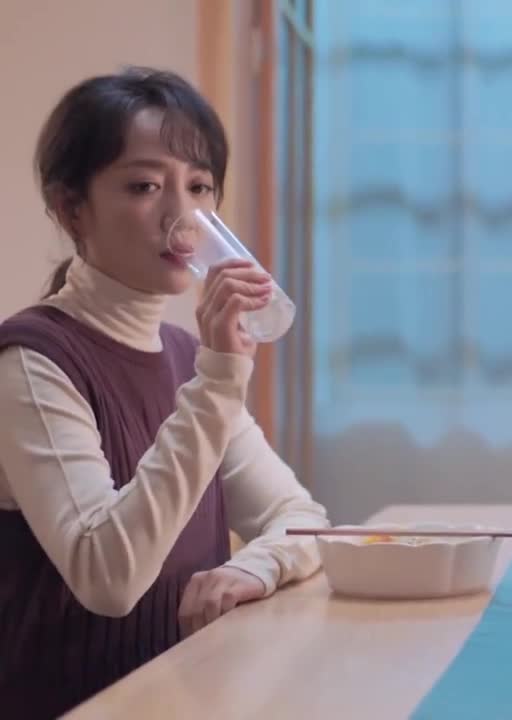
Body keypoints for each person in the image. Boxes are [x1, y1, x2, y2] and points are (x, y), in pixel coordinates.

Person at [0, 67, 330, 718]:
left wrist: (254, 567)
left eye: (199, 186)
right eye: (145, 186)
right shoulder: (31, 361)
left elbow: (302, 517)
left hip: (185, 699)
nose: (184, 217)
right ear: (71, 209)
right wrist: (220, 378)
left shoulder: (186, 358)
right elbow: (108, 577)